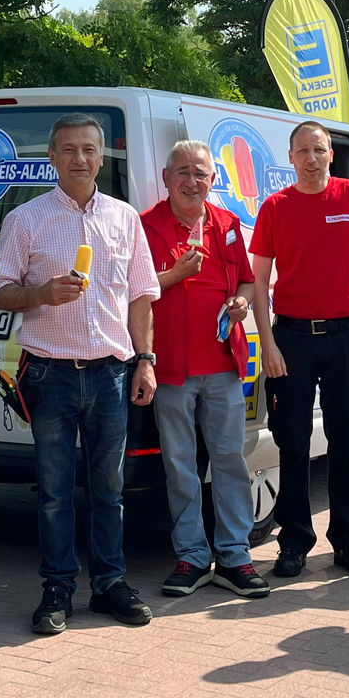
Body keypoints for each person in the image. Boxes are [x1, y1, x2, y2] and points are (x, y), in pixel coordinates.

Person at [0, 112, 161, 635]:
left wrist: (145, 359)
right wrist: (43, 292)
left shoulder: (124, 218)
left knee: (108, 490)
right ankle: (58, 587)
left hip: (111, 372)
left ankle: (109, 583)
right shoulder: (27, 219)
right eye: (68, 149)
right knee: (54, 492)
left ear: (102, 156)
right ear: (52, 157)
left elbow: (140, 297)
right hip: (49, 373)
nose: (80, 158)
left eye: (89, 149)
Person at [250, 121, 349, 579]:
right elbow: (259, 282)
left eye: (319, 150)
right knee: (292, 442)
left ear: (331, 154)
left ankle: (348, 538)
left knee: (346, 438)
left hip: (347, 335)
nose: (312, 159)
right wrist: (268, 343)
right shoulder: (275, 207)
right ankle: (294, 541)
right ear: (290, 157)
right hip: (291, 338)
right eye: (303, 151)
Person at [139, 141, 268, 599]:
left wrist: (241, 302)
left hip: (223, 365)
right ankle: (192, 556)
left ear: (213, 180)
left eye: (201, 174)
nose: (191, 182)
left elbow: (250, 280)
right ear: (166, 176)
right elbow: (132, 292)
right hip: (170, 367)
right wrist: (173, 275)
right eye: (182, 173)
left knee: (231, 462)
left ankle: (235, 557)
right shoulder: (146, 225)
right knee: (180, 466)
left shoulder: (228, 224)